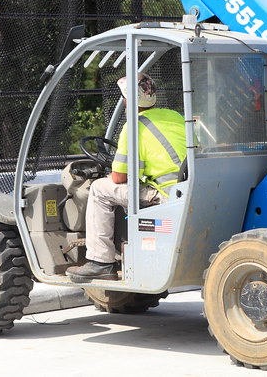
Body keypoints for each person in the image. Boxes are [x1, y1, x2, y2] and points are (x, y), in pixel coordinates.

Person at [66, 73, 187, 281]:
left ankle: (100, 262)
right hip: (184, 187)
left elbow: (119, 177)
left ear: (127, 100)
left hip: (165, 195)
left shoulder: (133, 127)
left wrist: (110, 171)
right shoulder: (175, 116)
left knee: (99, 189)